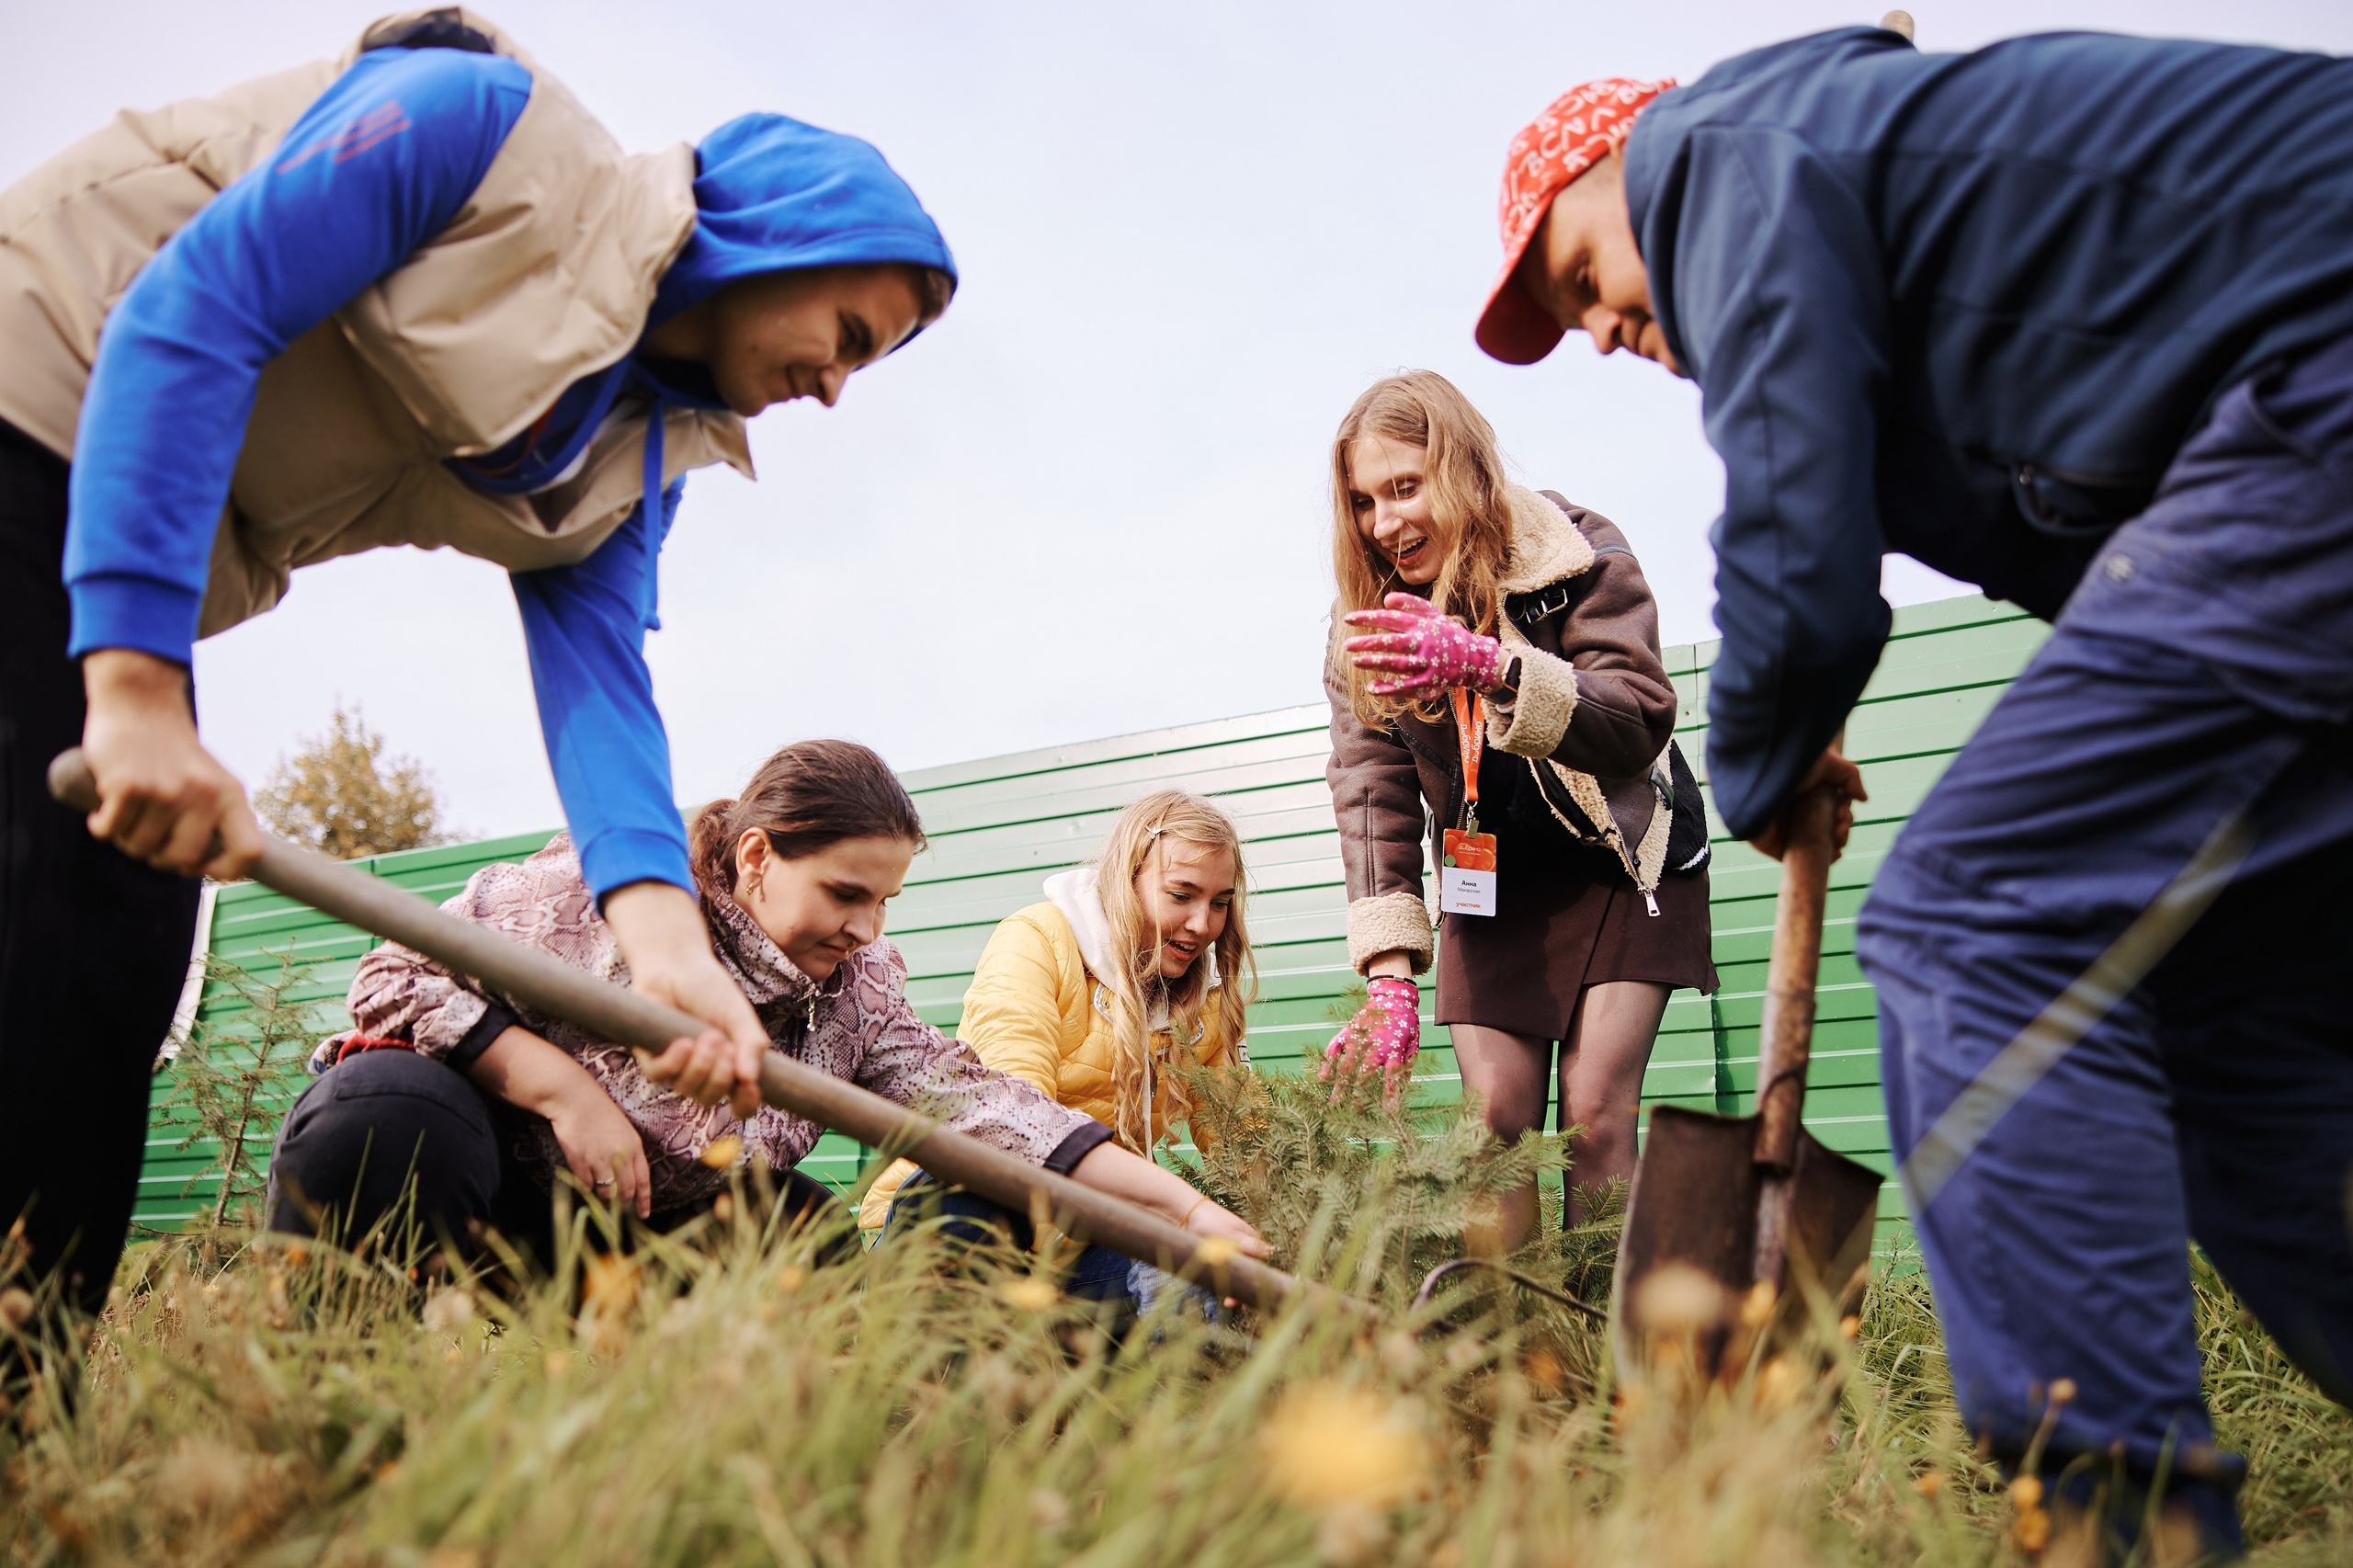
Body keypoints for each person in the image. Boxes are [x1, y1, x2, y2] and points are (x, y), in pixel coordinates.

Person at [1477, 32, 2353, 1554]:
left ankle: (2112, 1529)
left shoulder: (1730, 152)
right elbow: (2067, 583)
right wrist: (1801, 719)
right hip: (2297, 461)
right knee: (2221, 1030)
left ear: (1628, 157)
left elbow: (1798, 564)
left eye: (1574, 272)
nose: (1601, 331)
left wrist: (1758, 758)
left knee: (1971, 917)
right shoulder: (1908, 263)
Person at [0, 12, 953, 1326]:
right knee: (47, 926)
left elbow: (600, 676)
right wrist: (139, 691)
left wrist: (668, 945)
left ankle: (25, 1387)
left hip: (82, 537)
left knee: (115, 957)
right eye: (851, 331)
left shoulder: (638, 457)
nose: (842, 387)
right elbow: (190, 308)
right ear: (780, 232)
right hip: (32, 400)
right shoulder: (479, 132)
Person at [265, 741, 1267, 1278]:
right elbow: (393, 975)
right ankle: (330, 1364)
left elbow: (996, 1108)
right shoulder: (603, 891)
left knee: (817, 1255)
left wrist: (1185, 1208)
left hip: (651, 1226)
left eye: (885, 901)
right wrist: (560, 1085)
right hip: (494, 1184)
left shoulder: (857, 992)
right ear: (757, 856)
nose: (867, 928)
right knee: (387, 1107)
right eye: (844, 894)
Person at [1320, 371, 1712, 1252]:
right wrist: (1387, 970)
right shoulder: (1366, 631)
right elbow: (1371, 789)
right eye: (1364, 502)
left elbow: (1639, 713)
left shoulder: (1574, 553)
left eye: (1405, 487)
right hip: (1489, 878)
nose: (1385, 522)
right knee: (1493, 1122)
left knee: (1594, 1116)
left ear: (1460, 468)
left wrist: (1492, 667)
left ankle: (1607, 1352)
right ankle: (1516, 1367)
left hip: (1618, 853)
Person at [858, 790, 1253, 1312]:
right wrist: (1180, 1207)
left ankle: (1068, 1375)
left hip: (1080, 1247)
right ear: (1125, 880)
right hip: (966, 1217)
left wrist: (1292, 1228)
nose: (1203, 924)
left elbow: (1242, 1139)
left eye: (1220, 903)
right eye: (1181, 895)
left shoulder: (1201, 997)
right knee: (978, 1192)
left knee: (1196, 1291)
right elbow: (1011, 1123)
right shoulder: (1038, 941)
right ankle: (911, 1363)